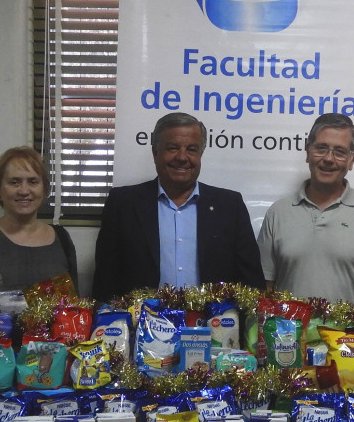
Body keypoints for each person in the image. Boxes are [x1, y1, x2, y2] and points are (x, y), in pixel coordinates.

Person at [93, 111, 264, 301]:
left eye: (192, 149)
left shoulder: (230, 206)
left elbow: (251, 284)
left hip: (213, 327)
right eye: (173, 148)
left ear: (200, 154)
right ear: (155, 152)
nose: (182, 157)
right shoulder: (122, 204)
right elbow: (105, 281)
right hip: (139, 326)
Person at [257, 113, 354, 304]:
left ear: (352, 160)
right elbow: (265, 288)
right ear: (307, 152)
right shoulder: (278, 213)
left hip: (351, 334)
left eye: (340, 152)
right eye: (321, 148)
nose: (329, 159)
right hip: (290, 333)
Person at [0, 146, 78, 294]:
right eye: (14, 182)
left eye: (33, 182)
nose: (24, 191)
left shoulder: (61, 239)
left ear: (44, 189)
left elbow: (75, 309)